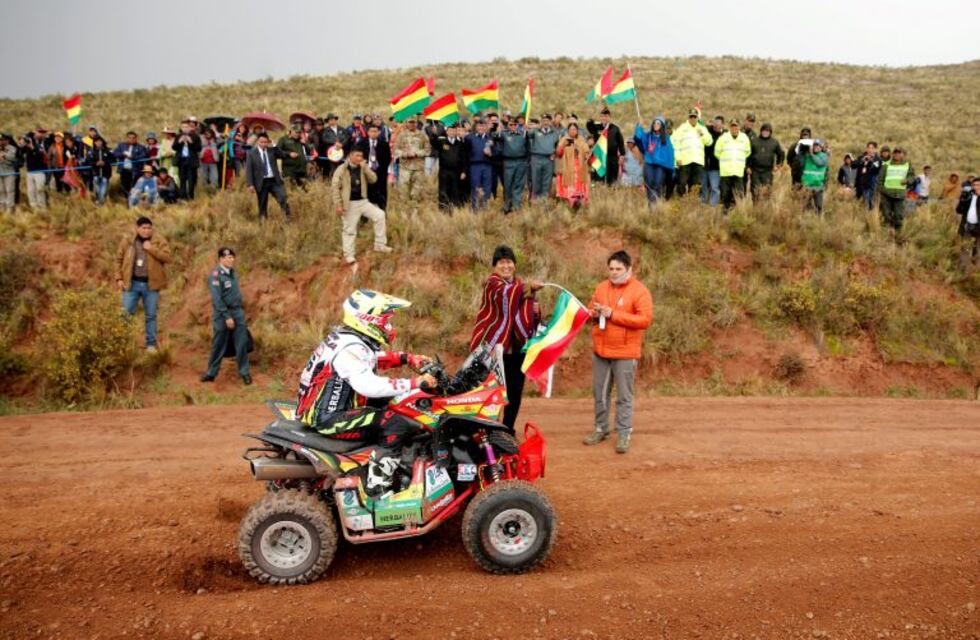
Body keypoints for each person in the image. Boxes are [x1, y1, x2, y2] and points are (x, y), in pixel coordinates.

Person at [295, 290, 436, 486]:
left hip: (332, 408)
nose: (388, 325)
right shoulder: (350, 348)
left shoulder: (346, 339)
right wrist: (414, 383)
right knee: (396, 424)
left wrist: (406, 358)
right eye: (384, 320)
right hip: (330, 417)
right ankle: (378, 486)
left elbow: (368, 359)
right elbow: (368, 385)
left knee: (398, 403)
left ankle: (403, 464)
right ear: (367, 319)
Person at [584, 250, 653, 454]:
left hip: (626, 352)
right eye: (611, 268)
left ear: (629, 269)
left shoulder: (640, 291)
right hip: (601, 351)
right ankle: (601, 429)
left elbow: (644, 320)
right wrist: (593, 313)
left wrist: (613, 314)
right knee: (600, 393)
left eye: (618, 269)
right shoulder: (601, 287)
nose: (614, 272)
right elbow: (589, 311)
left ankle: (623, 433)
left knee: (624, 396)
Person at [469, 246, 541, 433]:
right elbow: (506, 296)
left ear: (514, 265)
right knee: (490, 391)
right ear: (495, 266)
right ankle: (485, 431)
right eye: (501, 262)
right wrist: (528, 289)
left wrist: (534, 310)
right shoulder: (492, 284)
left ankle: (506, 430)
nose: (506, 266)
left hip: (516, 349)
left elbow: (526, 313)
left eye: (509, 262)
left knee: (514, 393)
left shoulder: (519, 285)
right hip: (493, 349)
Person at [115, 216, 172, 352]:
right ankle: (122, 344)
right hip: (131, 284)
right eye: (143, 228)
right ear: (137, 228)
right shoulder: (128, 241)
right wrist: (118, 278)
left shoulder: (158, 240)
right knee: (126, 314)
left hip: (150, 285)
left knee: (151, 315)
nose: (146, 231)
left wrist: (151, 249)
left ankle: (151, 345)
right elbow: (118, 260)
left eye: (149, 228)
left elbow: (168, 258)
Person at [199, 247, 251, 385]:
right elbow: (217, 299)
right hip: (222, 314)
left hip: (237, 312)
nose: (231, 260)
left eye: (233, 257)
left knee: (241, 343)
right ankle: (211, 373)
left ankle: (244, 373)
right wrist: (227, 316)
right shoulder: (215, 276)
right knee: (218, 344)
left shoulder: (233, 273)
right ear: (221, 259)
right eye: (228, 258)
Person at [332, 145, 392, 265]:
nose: (360, 158)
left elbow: (374, 179)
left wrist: (366, 168)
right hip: (349, 204)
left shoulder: (363, 167)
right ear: (350, 156)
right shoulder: (342, 169)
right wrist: (338, 205)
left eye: (361, 156)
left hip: (363, 202)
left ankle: (380, 245)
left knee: (380, 215)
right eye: (357, 155)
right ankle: (349, 254)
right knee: (349, 229)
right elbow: (335, 188)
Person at [244, 132, 292, 222]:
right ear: (258, 141)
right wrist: (250, 184)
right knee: (262, 203)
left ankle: (287, 218)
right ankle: (263, 221)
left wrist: (273, 145)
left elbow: (282, 155)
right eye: (261, 142)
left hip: (274, 180)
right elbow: (249, 169)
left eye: (265, 142)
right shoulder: (251, 153)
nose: (263, 144)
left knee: (282, 198)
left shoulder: (272, 150)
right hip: (261, 182)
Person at [669, 109, 713, 198]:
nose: (693, 118)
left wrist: (702, 134)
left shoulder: (702, 128)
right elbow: (674, 142)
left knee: (696, 185)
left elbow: (709, 142)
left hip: (698, 162)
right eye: (691, 116)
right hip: (685, 162)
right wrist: (678, 158)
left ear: (697, 118)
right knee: (681, 183)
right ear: (688, 117)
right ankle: (680, 202)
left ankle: (692, 203)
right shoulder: (682, 128)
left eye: (694, 117)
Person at [634, 117, 674, 204]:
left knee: (657, 183)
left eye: (658, 123)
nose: (656, 125)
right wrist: (638, 127)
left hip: (660, 166)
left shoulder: (666, 139)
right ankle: (651, 204)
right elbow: (639, 138)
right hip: (649, 164)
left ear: (662, 126)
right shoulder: (648, 136)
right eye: (655, 123)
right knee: (649, 183)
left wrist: (670, 169)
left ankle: (656, 202)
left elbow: (669, 154)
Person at [715, 119, 752, 210]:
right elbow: (717, 153)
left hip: (738, 172)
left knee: (738, 194)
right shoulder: (723, 138)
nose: (734, 128)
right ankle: (725, 214)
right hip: (726, 172)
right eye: (732, 126)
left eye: (736, 126)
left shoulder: (744, 138)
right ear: (729, 127)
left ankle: (736, 212)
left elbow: (748, 152)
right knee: (725, 195)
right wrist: (726, 162)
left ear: (739, 127)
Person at [393, 116, 430, 205]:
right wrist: (406, 154)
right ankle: (404, 213)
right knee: (403, 191)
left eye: (413, 122)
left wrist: (417, 153)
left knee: (416, 192)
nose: (411, 124)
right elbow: (395, 150)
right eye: (409, 122)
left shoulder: (422, 135)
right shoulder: (401, 135)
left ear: (416, 123)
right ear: (406, 123)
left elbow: (428, 150)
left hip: (418, 168)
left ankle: (414, 213)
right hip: (404, 168)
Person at [554, 123, 592, 208]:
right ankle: (570, 205)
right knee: (570, 189)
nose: (573, 131)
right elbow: (558, 153)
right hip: (568, 168)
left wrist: (586, 155)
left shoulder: (581, 140)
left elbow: (587, 152)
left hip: (580, 169)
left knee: (580, 187)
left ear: (577, 130)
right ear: (568, 131)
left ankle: (580, 205)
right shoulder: (564, 139)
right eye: (571, 129)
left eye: (574, 129)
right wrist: (563, 145)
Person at [878, 147, 914, 233]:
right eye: (895, 153)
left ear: (902, 154)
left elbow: (912, 177)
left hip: (900, 194)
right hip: (886, 194)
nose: (897, 155)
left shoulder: (907, 164)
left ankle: (898, 234)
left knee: (898, 216)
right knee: (886, 215)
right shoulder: (886, 164)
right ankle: (886, 233)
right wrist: (883, 190)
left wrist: (907, 180)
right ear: (893, 154)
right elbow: (880, 180)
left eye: (899, 153)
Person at [586, 108, 625, 185]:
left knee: (612, 177)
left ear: (609, 117)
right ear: (600, 117)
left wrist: (622, 155)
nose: (604, 118)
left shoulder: (615, 128)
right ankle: (600, 190)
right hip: (599, 156)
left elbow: (621, 142)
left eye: (606, 116)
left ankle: (610, 192)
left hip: (612, 157)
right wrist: (590, 120)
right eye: (602, 116)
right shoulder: (596, 127)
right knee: (599, 176)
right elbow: (589, 126)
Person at [434, 123, 469, 210]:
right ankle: (443, 210)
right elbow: (433, 142)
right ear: (447, 132)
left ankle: (455, 210)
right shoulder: (442, 142)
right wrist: (434, 134)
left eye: (453, 130)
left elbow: (464, 158)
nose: (452, 132)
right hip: (444, 171)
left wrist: (464, 171)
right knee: (443, 191)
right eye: (450, 130)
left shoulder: (460, 143)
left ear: (456, 132)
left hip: (456, 171)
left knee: (455, 191)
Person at [464, 118, 496, 210]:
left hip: (487, 165)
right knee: (475, 187)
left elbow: (496, 152)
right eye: (479, 126)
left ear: (486, 127)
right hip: (475, 166)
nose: (481, 127)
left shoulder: (490, 138)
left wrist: (491, 153)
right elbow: (465, 152)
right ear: (476, 127)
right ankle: (475, 208)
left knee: (487, 187)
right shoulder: (469, 137)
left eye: (483, 126)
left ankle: (485, 208)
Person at [499, 118, 529, 213]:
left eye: (515, 124)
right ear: (508, 125)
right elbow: (493, 137)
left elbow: (529, 146)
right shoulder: (504, 134)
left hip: (521, 162)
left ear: (517, 125)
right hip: (508, 162)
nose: (513, 126)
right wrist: (497, 130)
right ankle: (507, 205)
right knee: (507, 184)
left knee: (518, 185)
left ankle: (516, 205)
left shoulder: (523, 134)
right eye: (511, 124)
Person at [748, 123, 785, 199]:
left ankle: (765, 208)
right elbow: (748, 155)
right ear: (761, 131)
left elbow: (781, 154)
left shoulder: (774, 142)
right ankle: (756, 207)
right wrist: (748, 167)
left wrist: (778, 165)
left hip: (767, 171)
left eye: (767, 131)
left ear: (770, 132)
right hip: (755, 171)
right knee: (755, 191)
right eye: (764, 131)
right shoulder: (754, 141)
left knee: (767, 191)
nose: (765, 132)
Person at [528, 114, 559, 201]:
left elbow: (558, 145)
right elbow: (527, 135)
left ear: (550, 122)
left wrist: (554, 154)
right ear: (541, 122)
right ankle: (535, 199)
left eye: (547, 121)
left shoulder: (555, 133)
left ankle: (544, 200)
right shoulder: (535, 131)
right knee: (536, 179)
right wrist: (533, 127)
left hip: (549, 159)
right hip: (536, 158)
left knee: (547, 180)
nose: (545, 122)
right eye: (544, 121)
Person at [365, 123, 392, 211]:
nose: (373, 133)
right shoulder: (361, 143)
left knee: (381, 193)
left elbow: (388, 158)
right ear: (368, 132)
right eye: (371, 131)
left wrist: (381, 169)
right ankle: (364, 217)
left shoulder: (384, 144)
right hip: (366, 172)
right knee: (366, 194)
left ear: (379, 132)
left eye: (375, 131)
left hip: (380, 172)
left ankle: (382, 211)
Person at [955, 176, 980, 270]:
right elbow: (959, 211)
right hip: (967, 226)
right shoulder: (968, 196)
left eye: (978, 185)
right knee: (964, 248)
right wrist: (962, 200)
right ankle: (962, 271)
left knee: (977, 249)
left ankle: (976, 271)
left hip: (978, 227)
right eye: (974, 185)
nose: (976, 187)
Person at [172, 121, 202, 200]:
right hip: (181, 161)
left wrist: (191, 142)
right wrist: (179, 142)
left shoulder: (195, 136)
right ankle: (183, 196)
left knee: (191, 180)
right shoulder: (178, 136)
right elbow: (174, 147)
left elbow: (199, 148)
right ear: (181, 128)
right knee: (182, 179)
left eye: (186, 127)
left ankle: (191, 196)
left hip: (191, 161)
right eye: (183, 127)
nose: (185, 129)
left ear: (189, 128)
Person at [113, 131, 148, 195]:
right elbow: (115, 153)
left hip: (135, 170)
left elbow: (143, 156)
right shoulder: (121, 145)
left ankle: (133, 199)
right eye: (130, 138)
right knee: (124, 186)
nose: (131, 139)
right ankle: (127, 198)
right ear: (127, 138)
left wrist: (133, 157)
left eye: (133, 138)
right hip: (124, 170)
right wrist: (123, 154)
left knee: (134, 186)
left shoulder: (140, 147)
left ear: (136, 138)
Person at [701, 115, 725, 205]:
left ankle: (713, 206)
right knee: (703, 186)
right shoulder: (708, 131)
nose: (716, 126)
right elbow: (702, 130)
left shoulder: (724, 135)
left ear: (723, 125)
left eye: (719, 124)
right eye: (715, 123)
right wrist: (707, 125)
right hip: (704, 165)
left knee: (715, 187)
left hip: (715, 167)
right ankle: (703, 204)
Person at [801, 139, 829, 214]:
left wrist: (811, 154)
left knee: (819, 206)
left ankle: (818, 222)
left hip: (818, 186)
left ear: (821, 147)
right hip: (807, 186)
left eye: (818, 146)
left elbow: (819, 163)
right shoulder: (808, 156)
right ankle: (808, 221)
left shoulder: (824, 156)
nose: (816, 147)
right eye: (815, 146)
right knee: (805, 206)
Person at [277, 124, 309, 188]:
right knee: (291, 190)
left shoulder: (301, 140)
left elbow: (309, 152)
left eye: (299, 132)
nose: (297, 134)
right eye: (296, 132)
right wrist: (289, 154)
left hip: (301, 170)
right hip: (290, 170)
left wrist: (305, 144)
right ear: (291, 131)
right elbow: (277, 152)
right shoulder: (283, 139)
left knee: (304, 191)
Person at [21, 133, 48, 210]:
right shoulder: (26, 147)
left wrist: (32, 147)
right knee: (31, 191)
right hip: (29, 172)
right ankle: (34, 208)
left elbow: (40, 155)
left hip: (39, 172)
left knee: (40, 190)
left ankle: (42, 207)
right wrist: (23, 144)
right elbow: (19, 152)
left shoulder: (39, 145)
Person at [853, 142, 882, 209]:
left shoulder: (878, 160)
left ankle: (868, 217)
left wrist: (870, 161)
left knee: (868, 203)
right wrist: (862, 160)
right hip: (859, 184)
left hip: (870, 185)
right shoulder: (862, 157)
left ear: (875, 149)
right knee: (859, 204)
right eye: (868, 148)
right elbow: (853, 165)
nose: (870, 150)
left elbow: (875, 170)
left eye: (872, 148)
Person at [86, 135, 113, 205]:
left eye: (100, 141)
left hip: (105, 173)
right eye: (96, 142)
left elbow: (113, 160)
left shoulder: (108, 151)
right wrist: (96, 163)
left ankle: (100, 203)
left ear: (102, 142)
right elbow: (89, 161)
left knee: (103, 190)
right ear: (94, 143)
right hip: (96, 173)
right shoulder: (91, 152)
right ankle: (99, 201)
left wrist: (105, 163)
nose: (98, 143)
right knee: (97, 190)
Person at [0, 136, 17, 211]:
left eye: (3, 140)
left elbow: (12, 157)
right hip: (0, 172)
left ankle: (10, 208)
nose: (1, 142)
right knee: (1, 190)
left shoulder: (12, 148)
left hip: (9, 172)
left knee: (10, 190)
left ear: (7, 141)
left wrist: (4, 156)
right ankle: (2, 208)